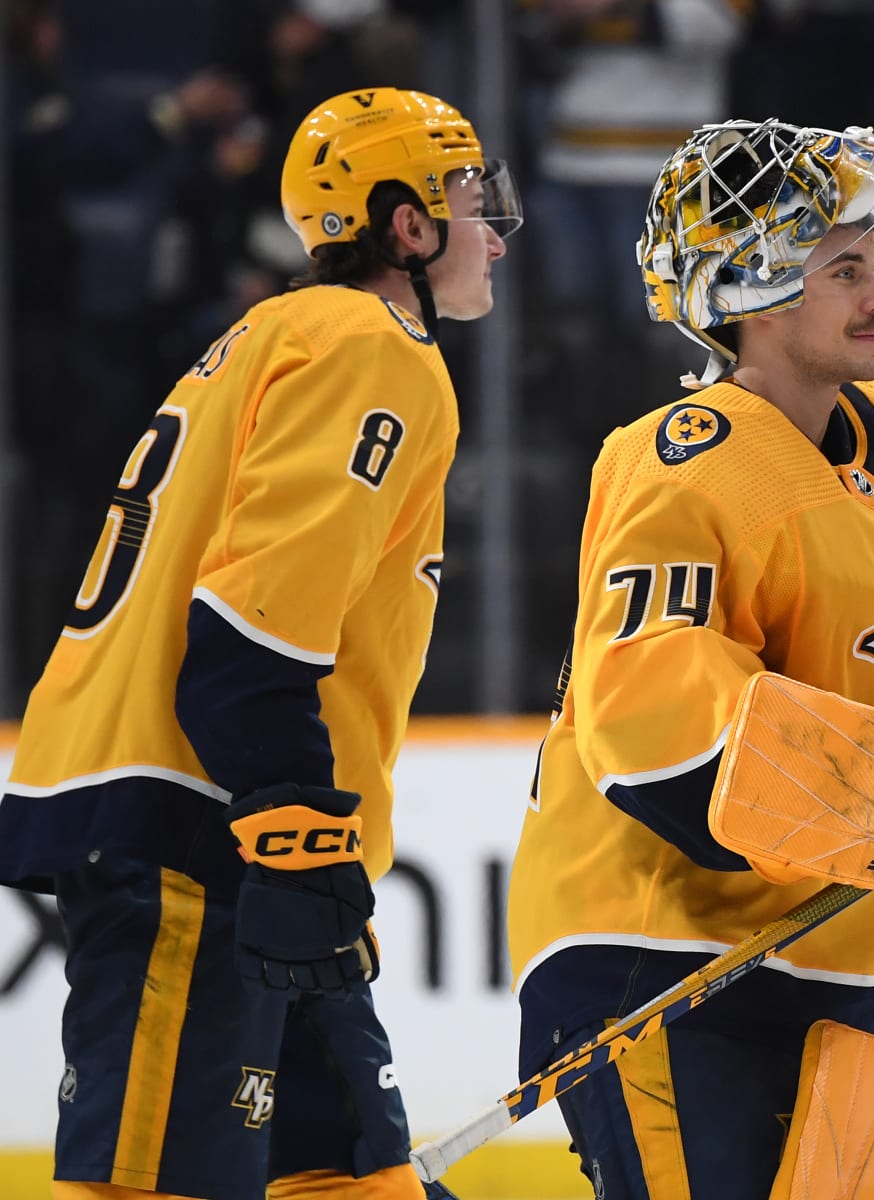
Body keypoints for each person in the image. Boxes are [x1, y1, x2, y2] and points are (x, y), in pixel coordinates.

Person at [0, 86, 521, 1200]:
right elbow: (250, 625)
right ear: (408, 224)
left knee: (349, 1176)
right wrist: (295, 832)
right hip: (205, 819)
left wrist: (303, 843)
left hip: (236, 815)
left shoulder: (279, 334)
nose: (497, 226)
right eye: (473, 197)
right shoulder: (368, 346)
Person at [505, 119, 874, 1198]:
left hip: (846, 960)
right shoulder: (683, 466)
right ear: (758, 291)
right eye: (846, 270)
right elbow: (659, 743)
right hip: (665, 963)